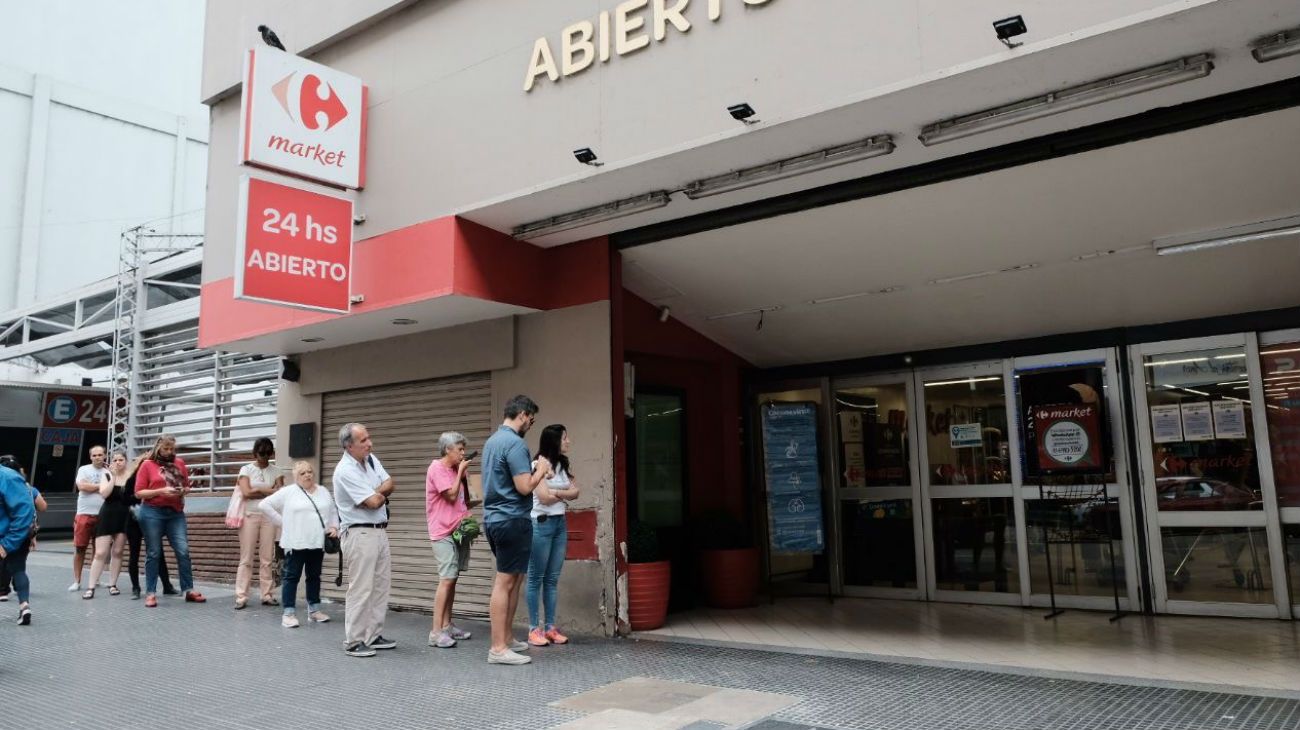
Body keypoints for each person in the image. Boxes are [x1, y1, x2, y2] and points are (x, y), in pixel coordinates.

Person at [482, 395, 552, 666]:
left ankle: (507, 639)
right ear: (522, 414)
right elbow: (524, 487)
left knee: (514, 579)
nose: (531, 424)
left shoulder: (492, 442)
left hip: (495, 519)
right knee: (505, 582)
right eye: (531, 419)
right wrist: (542, 470)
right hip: (511, 519)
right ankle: (498, 648)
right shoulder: (515, 444)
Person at [332, 423, 397, 658]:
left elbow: (390, 484)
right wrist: (373, 496)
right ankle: (354, 640)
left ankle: (373, 634)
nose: (369, 443)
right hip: (359, 533)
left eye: (369, 438)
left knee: (381, 585)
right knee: (361, 588)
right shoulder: (344, 470)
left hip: (378, 530)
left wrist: (372, 493)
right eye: (363, 441)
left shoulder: (370, 459)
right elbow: (373, 503)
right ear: (349, 446)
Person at [260, 461, 337, 628]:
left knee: (314, 576)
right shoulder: (288, 492)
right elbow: (264, 505)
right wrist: (282, 522)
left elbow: (332, 511)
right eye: (302, 473)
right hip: (295, 542)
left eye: (309, 471)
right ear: (295, 476)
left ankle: (314, 611)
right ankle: (288, 613)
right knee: (291, 577)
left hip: (317, 542)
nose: (307, 475)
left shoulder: (323, 491)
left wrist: (334, 527)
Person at [134, 434, 205, 607]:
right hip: (152, 512)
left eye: (172, 449)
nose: (169, 452)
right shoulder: (147, 465)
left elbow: (186, 486)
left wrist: (183, 490)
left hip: (175, 512)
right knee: (154, 552)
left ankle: (188, 590)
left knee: (183, 550)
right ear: (158, 448)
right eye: (166, 448)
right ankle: (150, 593)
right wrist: (160, 491)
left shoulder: (179, 463)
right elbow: (139, 492)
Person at [526, 425, 581, 647]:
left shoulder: (561, 465)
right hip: (541, 524)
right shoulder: (537, 465)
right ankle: (533, 629)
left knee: (552, 579)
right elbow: (543, 498)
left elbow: (576, 492)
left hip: (559, 524)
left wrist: (556, 492)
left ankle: (550, 628)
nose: (568, 441)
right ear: (554, 441)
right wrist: (563, 494)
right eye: (565, 438)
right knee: (535, 578)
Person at [425, 432, 477, 648]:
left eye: (464, 449)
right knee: (446, 579)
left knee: (453, 578)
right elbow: (451, 495)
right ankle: (435, 632)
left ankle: (447, 625)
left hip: (458, 529)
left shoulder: (456, 469)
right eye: (460, 449)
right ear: (447, 449)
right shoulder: (436, 468)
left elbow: (463, 499)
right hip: (442, 532)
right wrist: (461, 473)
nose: (463, 453)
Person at [234, 437, 285, 609]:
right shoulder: (245, 469)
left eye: (267, 453)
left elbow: (280, 495)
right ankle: (241, 596)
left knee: (267, 558)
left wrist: (259, 490)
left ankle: (267, 594)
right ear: (255, 453)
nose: (263, 457)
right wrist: (268, 491)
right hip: (249, 515)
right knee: (246, 557)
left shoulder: (277, 470)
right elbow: (246, 493)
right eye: (260, 453)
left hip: (269, 517)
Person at [123, 449, 173, 599]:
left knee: (158, 553)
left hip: (151, 520)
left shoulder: (158, 478)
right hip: (134, 520)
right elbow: (125, 499)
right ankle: (136, 588)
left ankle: (167, 585)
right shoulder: (133, 478)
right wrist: (143, 497)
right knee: (134, 554)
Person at [83, 451, 131, 598]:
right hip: (108, 514)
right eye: (115, 460)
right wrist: (114, 476)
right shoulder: (107, 475)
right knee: (100, 552)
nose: (118, 462)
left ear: (126, 461)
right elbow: (104, 494)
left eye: (121, 459)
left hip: (124, 515)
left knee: (117, 552)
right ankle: (91, 587)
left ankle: (113, 584)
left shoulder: (130, 477)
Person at [0, 455, 42, 608]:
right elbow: (35, 508)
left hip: (10, 535)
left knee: (14, 569)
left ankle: (5, 592)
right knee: (18, 569)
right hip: (17, 535)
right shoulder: (16, 480)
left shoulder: (7, 477)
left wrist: (7, 544)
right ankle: (24, 605)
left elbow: (26, 511)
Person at [70, 445, 110, 591]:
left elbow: (110, 491)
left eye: (100, 455)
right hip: (84, 514)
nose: (97, 457)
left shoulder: (108, 472)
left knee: (99, 550)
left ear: (105, 456)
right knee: (80, 548)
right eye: (94, 455)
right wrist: (101, 486)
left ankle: (96, 579)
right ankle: (77, 581)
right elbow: (82, 487)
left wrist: (92, 485)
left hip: (103, 515)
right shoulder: (83, 469)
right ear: (90, 457)